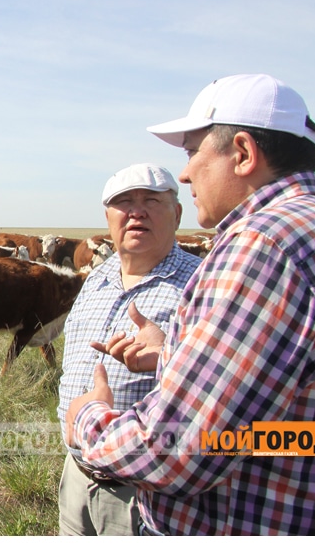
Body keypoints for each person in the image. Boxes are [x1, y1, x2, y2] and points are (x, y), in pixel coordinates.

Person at [65, 73, 315, 535]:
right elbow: (303, 423)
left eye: (191, 153)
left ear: (242, 154)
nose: (186, 173)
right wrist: (171, 357)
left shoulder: (261, 246)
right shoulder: (313, 229)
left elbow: (179, 449)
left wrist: (87, 419)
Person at [56, 163, 201, 535]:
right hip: (76, 475)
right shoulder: (96, 280)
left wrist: (168, 353)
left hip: (144, 490)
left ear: (178, 213)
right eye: (123, 203)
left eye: (151, 200)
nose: (136, 211)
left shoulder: (200, 285)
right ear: (108, 218)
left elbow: (222, 387)